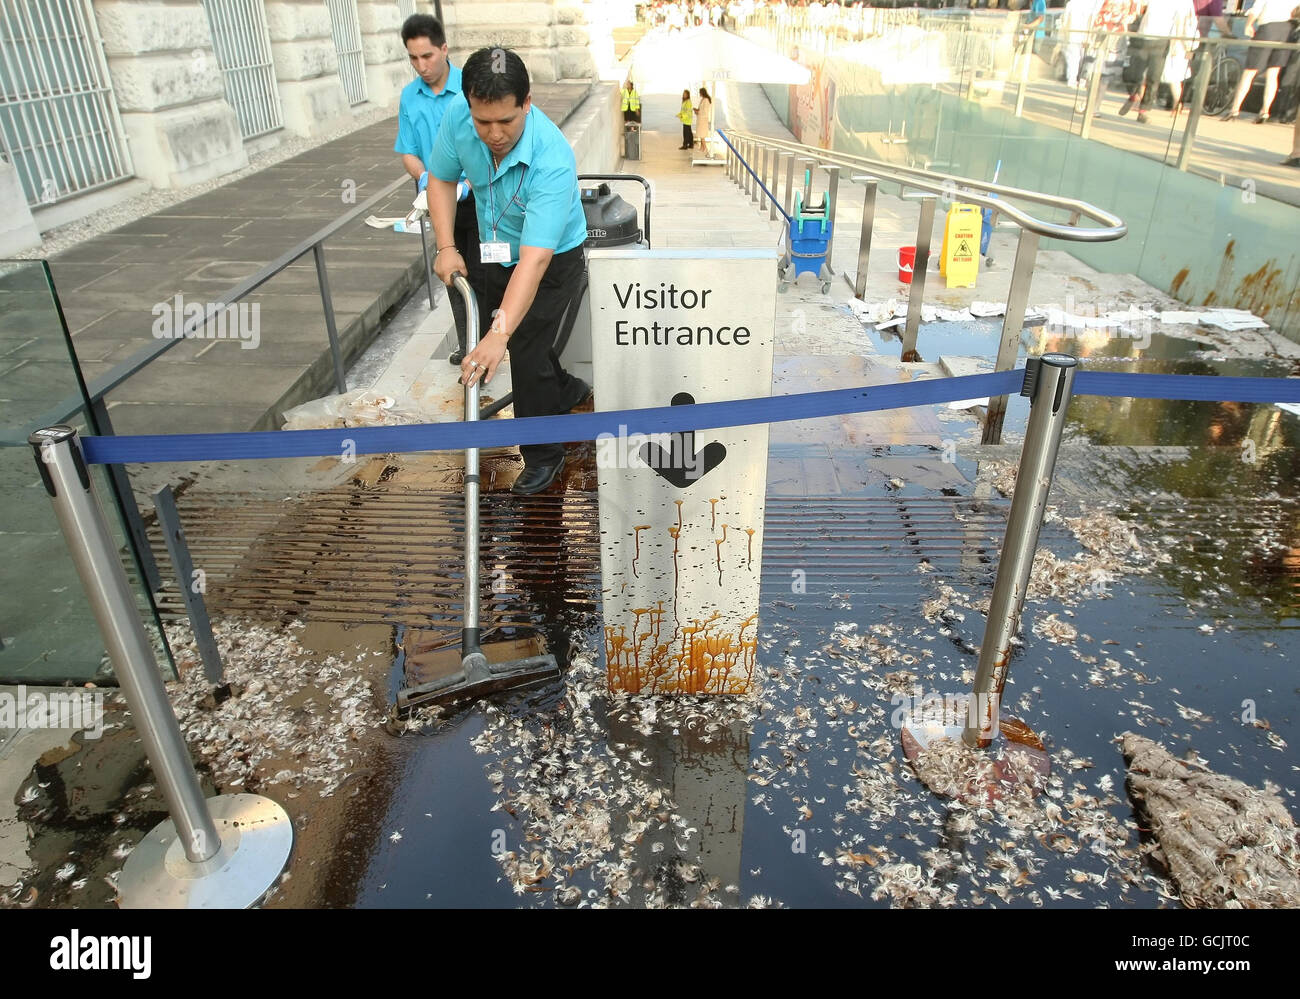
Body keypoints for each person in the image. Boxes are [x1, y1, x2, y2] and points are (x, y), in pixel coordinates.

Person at [428, 47, 591, 496]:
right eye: (484, 123)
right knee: (522, 339)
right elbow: (439, 178)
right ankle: (571, 387)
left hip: (552, 260)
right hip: (493, 248)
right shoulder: (459, 120)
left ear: (527, 102)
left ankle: (544, 455)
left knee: (527, 349)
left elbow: (535, 260)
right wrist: (445, 246)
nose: (494, 134)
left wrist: (497, 335)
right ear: (468, 107)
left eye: (506, 122)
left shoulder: (552, 159)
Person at [393, 13, 483, 367]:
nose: (421, 65)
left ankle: (493, 340)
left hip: (477, 196)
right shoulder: (409, 97)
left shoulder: (470, 87)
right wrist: (428, 181)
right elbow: (408, 152)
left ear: (444, 49)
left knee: (485, 269)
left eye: (427, 56)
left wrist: (465, 183)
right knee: (452, 271)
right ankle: (467, 345)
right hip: (438, 199)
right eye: (413, 58)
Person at [1219, 0, 1297, 121]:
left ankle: (1235, 109)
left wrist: (1248, 24)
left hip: (1267, 29)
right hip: (1287, 31)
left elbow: (1255, 10)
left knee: (1249, 72)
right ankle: (1265, 111)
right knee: (1273, 74)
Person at [695, 86, 713, 151]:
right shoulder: (703, 99)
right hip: (700, 118)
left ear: (702, 92)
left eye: (700, 92)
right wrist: (697, 111)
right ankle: (702, 147)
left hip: (703, 119)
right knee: (700, 133)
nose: (699, 94)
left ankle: (705, 147)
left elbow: (705, 111)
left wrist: (698, 111)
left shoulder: (706, 100)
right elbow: (701, 109)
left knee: (702, 134)